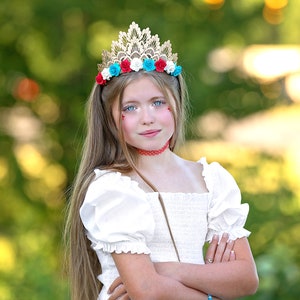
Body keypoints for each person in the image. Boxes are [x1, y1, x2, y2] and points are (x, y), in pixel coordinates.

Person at [65, 22, 259, 300]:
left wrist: (167, 270)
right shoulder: (113, 189)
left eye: (158, 102)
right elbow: (147, 292)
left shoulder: (211, 181)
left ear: (177, 102)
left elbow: (245, 279)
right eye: (130, 108)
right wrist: (209, 288)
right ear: (110, 118)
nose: (147, 117)